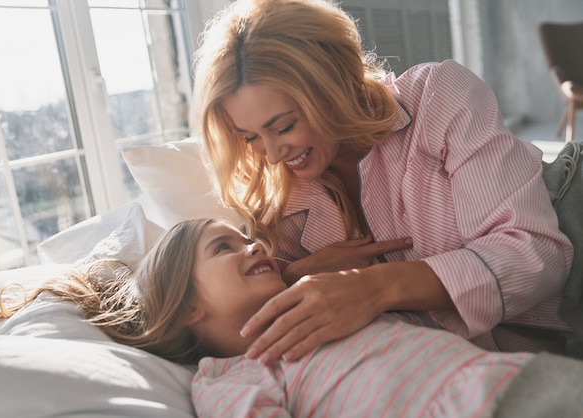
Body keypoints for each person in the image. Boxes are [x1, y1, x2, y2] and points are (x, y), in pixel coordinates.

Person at [191, 0, 575, 363]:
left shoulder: (438, 96)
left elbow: (535, 254)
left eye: (285, 126)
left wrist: (375, 287)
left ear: (334, 84)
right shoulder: (276, 201)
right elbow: (249, 325)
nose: (272, 154)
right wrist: (293, 278)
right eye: (250, 137)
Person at [0, 218, 583, 417]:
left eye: (248, 239)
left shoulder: (331, 304)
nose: (255, 247)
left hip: (519, 377)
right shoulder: (231, 374)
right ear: (189, 306)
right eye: (225, 248)